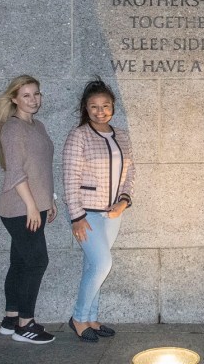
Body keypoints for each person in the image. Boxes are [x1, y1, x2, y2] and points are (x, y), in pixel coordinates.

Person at [0, 75, 57, 345]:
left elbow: (39, 169)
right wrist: (32, 206)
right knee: (37, 261)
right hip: (19, 208)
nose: (33, 99)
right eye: (26, 95)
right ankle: (25, 324)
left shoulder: (38, 125)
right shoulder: (13, 129)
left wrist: (50, 200)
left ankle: (10, 318)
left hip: (34, 206)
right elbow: (15, 173)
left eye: (36, 94)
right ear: (14, 98)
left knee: (21, 262)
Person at [63, 79, 136, 343]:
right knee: (103, 263)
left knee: (95, 266)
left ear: (113, 107)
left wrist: (124, 202)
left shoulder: (122, 136)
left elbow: (130, 174)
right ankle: (78, 318)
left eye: (105, 105)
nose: (100, 111)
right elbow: (70, 179)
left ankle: (92, 318)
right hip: (88, 214)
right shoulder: (79, 136)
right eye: (94, 106)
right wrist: (77, 217)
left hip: (113, 214)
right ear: (86, 108)